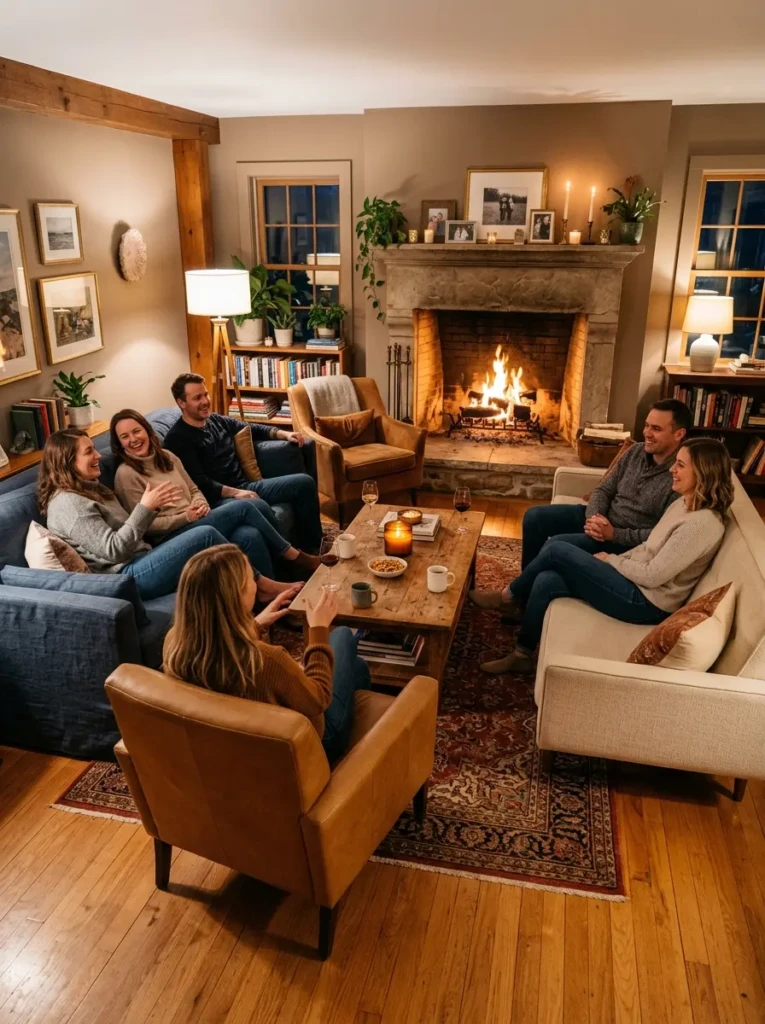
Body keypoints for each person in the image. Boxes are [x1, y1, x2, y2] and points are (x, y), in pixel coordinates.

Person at [473, 438, 733, 674]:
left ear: (702, 472)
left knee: (556, 549)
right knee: (547, 579)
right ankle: (522, 654)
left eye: (680, 465)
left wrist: (612, 560)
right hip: (634, 582)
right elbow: (648, 548)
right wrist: (615, 559)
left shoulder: (703, 524)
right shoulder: (684, 503)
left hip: (647, 602)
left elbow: (655, 576)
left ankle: (508, 596)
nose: (671, 470)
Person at [163, 544, 372, 761]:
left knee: (357, 667)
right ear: (237, 597)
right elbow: (317, 699)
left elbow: (221, 645)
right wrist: (319, 630)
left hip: (231, 749)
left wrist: (255, 625)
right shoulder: (267, 660)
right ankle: (353, 753)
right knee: (342, 636)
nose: (256, 584)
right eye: (250, 579)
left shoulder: (175, 644)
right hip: (312, 743)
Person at [110, 409, 319, 581]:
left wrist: (200, 504)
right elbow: (143, 526)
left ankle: (274, 594)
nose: (133, 440)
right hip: (173, 536)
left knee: (249, 535)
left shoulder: (168, 457)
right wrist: (186, 517)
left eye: (136, 431)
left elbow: (193, 489)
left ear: (147, 431)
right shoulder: (126, 474)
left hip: (198, 517)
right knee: (247, 505)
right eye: (125, 437)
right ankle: (294, 557)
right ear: (119, 444)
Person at [509, 398, 694, 575]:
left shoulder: (682, 475)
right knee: (534, 517)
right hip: (601, 519)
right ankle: (525, 589)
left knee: (555, 544)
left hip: (622, 541)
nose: (647, 433)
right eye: (646, 425)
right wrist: (594, 519)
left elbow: (660, 534)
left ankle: (517, 594)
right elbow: (603, 490)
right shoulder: (635, 452)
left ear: (679, 434)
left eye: (656, 428)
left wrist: (614, 534)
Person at [163, 373, 323, 554]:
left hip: (245, 485)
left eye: (206, 394)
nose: (206, 401)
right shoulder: (177, 440)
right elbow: (200, 483)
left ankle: (314, 549)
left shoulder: (215, 420)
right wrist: (237, 493)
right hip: (219, 499)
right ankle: (290, 558)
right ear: (181, 403)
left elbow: (250, 427)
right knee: (255, 511)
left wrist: (283, 434)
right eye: (197, 398)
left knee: (305, 482)